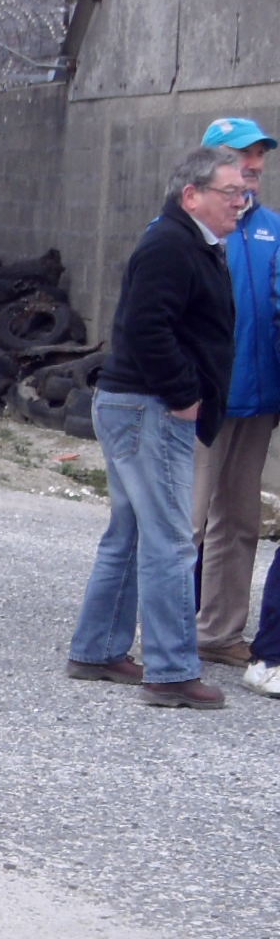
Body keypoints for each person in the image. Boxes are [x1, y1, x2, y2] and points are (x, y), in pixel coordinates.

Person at [70, 145, 248, 709]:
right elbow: (147, 327)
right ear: (190, 195)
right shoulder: (171, 243)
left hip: (137, 406)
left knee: (129, 531)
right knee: (172, 538)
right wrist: (185, 394)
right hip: (148, 407)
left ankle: (96, 650)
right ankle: (171, 671)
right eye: (230, 192)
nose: (241, 202)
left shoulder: (192, 242)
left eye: (245, 192)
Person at [191, 117, 279, 672]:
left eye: (260, 158)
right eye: (241, 156)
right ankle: (164, 636)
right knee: (186, 522)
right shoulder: (191, 224)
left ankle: (218, 633)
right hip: (201, 400)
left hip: (260, 400)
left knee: (239, 522)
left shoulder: (272, 229)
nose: (252, 167)